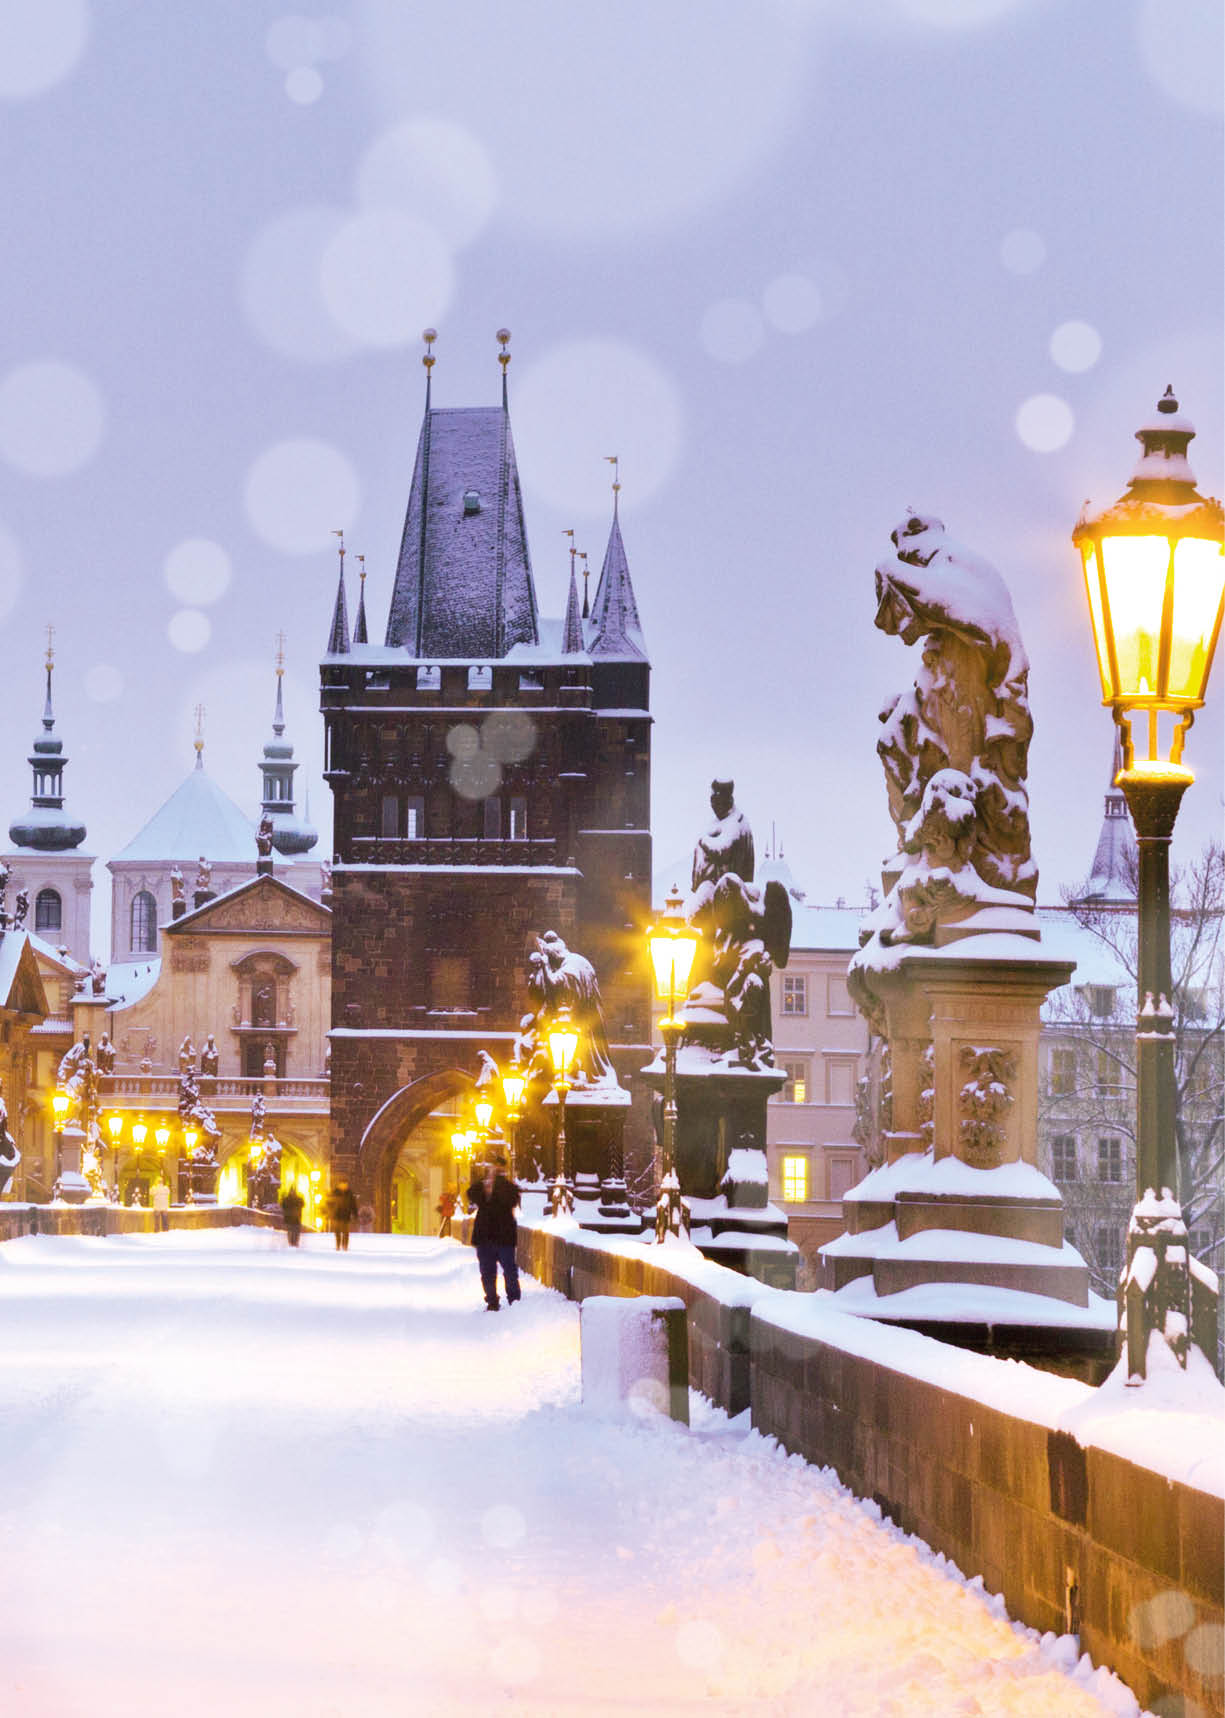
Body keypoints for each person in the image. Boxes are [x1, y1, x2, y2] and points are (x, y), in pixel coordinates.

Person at [467, 1154, 521, 1311]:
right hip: (486, 1237)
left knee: (508, 1270)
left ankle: (513, 1300)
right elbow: (471, 1195)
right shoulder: (482, 1187)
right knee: (488, 1271)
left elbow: (510, 1200)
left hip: (503, 1237)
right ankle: (492, 1299)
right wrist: (486, 1184)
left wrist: (494, 1185)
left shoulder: (508, 1187)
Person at [327, 1177, 358, 1251]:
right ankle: (338, 1245)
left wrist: (355, 1214)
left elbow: (353, 1205)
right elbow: (329, 1203)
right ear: (339, 1184)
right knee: (337, 1232)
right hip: (336, 1215)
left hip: (346, 1215)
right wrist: (330, 1212)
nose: (344, 1186)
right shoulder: (335, 1192)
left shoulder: (350, 1194)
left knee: (345, 1232)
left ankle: (345, 1246)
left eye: (345, 1184)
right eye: (343, 1184)